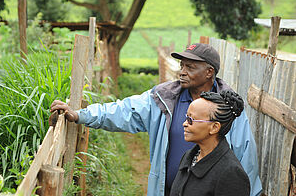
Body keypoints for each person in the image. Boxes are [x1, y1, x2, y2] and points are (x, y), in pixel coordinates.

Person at [50, 43, 262, 196]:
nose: (182, 72)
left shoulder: (228, 109)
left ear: (209, 72)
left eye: (190, 67)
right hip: (167, 190)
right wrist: (81, 115)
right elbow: (124, 111)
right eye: (182, 66)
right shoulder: (165, 98)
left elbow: (246, 158)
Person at [170, 90, 250, 196]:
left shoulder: (231, 173)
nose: (185, 124)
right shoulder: (189, 157)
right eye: (186, 117)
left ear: (214, 127)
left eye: (191, 119)